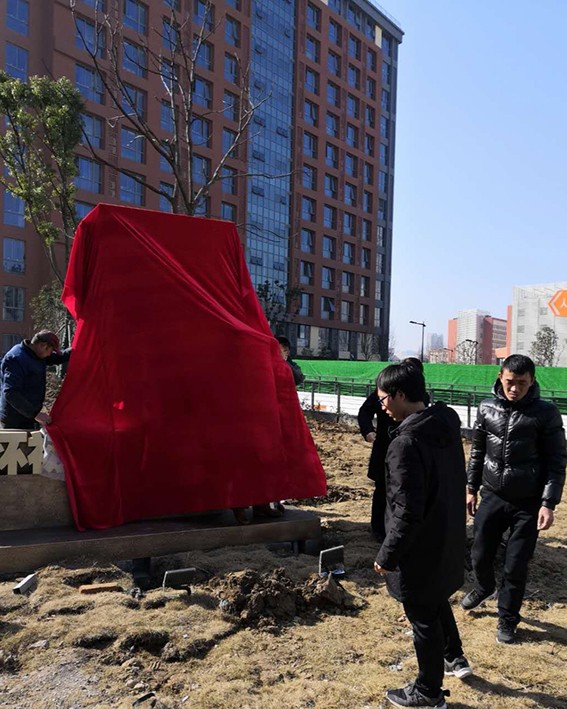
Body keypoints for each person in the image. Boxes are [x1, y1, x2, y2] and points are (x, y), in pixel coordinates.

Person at [373, 362, 470, 709]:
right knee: (435, 600)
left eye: (383, 398)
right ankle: (453, 656)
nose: (382, 406)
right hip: (445, 536)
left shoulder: (407, 443)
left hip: (420, 547)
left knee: (423, 618)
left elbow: (407, 511)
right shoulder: (443, 424)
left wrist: (387, 555)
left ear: (400, 395)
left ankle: (428, 692)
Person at [462, 354, 566, 644]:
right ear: (500, 377)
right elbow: (477, 451)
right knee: (479, 553)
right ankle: (484, 587)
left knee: (516, 564)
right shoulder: (487, 408)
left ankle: (508, 618)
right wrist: (470, 488)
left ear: (532, 381)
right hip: (492, 495)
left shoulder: (546, 413)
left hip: (528, 503)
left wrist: (548, 503)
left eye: (522, 383)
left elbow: (557, 461)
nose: (515, 388)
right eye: (510, 381)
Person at [358, 358, 425, 543]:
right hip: (384, 447)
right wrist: (368, 431)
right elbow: (364, 412)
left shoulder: (421, 398)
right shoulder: (386, 392)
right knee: (382, 490)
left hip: (409, 450)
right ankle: (379, 529)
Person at [0, 330, 71, 430]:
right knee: (18, 440)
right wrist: (35, 414)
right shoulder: (16, 358)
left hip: (30, 414)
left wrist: (79, 348)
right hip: (14, 418)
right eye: (50, 351)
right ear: (43, 345)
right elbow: (10, 392)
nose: (49, 355)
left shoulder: (36, 353)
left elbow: (59, 357)